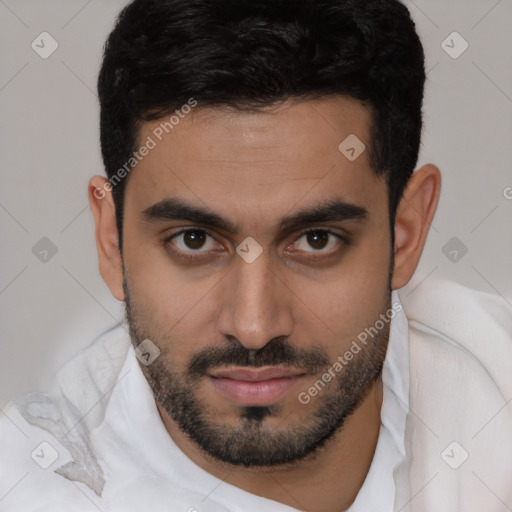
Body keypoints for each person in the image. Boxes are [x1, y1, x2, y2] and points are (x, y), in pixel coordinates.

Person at [1, 0, 511, 511]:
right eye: (194, 241)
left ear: (405, 233)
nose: (254, 326)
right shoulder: (33, 489)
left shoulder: (495, 380)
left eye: (316, 240)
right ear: (111, 242)